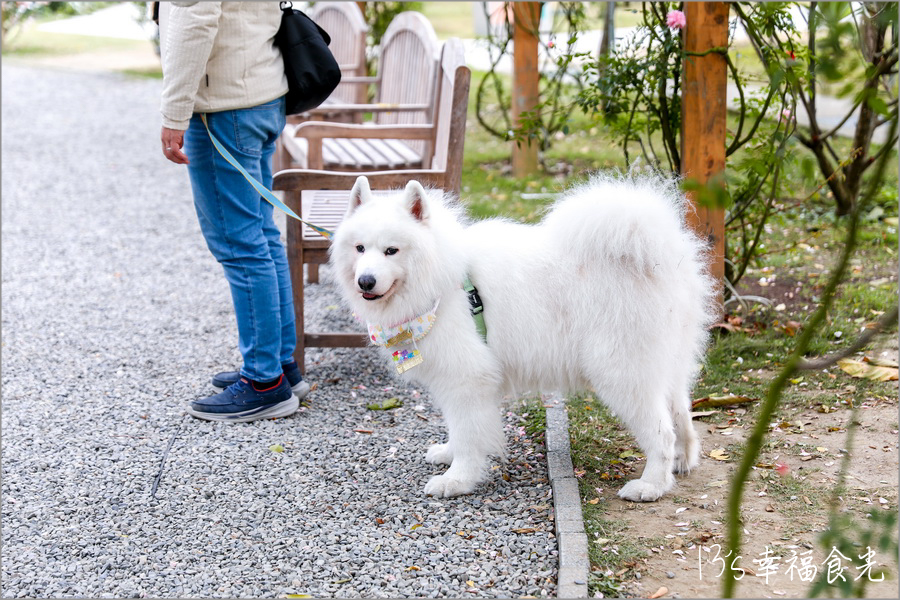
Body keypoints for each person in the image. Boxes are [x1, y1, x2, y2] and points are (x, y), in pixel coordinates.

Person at [158, 1, 309, 422]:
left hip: (225, 107)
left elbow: (195, 19)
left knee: (241, 245)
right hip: (259, 95)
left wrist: (174, 112)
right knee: (261, 235)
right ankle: (281, 366)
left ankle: (264, 383)